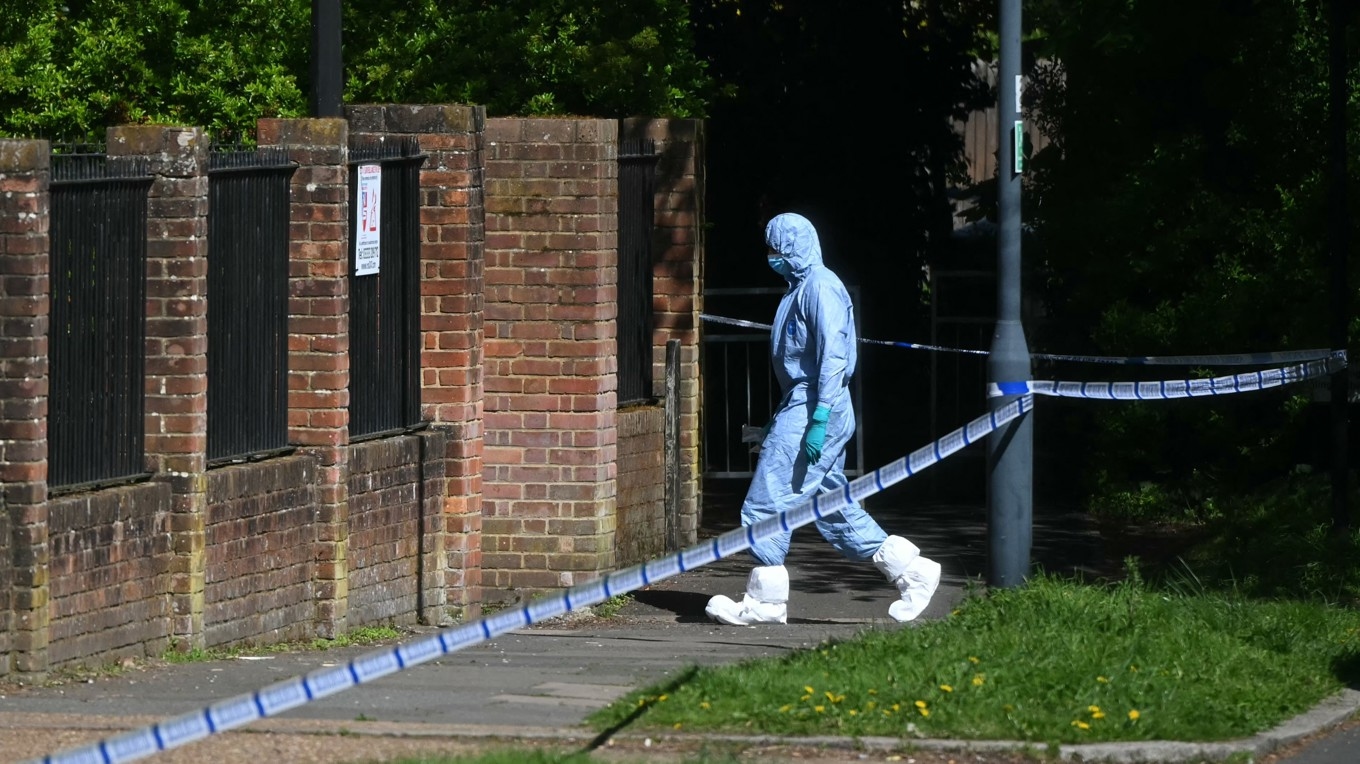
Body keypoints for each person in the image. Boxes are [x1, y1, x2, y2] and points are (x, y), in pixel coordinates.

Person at [705, 212, 941, 626]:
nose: (772, 256)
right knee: (833, 507)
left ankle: (765, 602)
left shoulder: (820, 287)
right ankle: (914, 573)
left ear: (794, 246)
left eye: (777, 248)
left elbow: (833, 354)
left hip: (816, 405)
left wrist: (818, 417)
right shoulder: (801, 288)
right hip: (807, 404)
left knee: (767, 501)